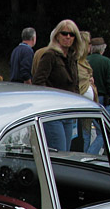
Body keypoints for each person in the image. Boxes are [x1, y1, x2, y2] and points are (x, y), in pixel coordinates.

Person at [33, 20, 83, 150]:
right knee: (59, 152)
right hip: (52, 113)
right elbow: (38, 82)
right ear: (57, 35)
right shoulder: (50, 55)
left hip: (68, 112)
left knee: (65, 154)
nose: (68, 37)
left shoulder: (72, 57)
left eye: (71, 34)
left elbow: (75, 84)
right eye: (64, 33)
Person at [88, 36, 110, 111]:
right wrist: (109, 95)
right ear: (103, 48)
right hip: (102, 98)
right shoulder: (107, 62)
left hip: (87, 97)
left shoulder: (85, 61)